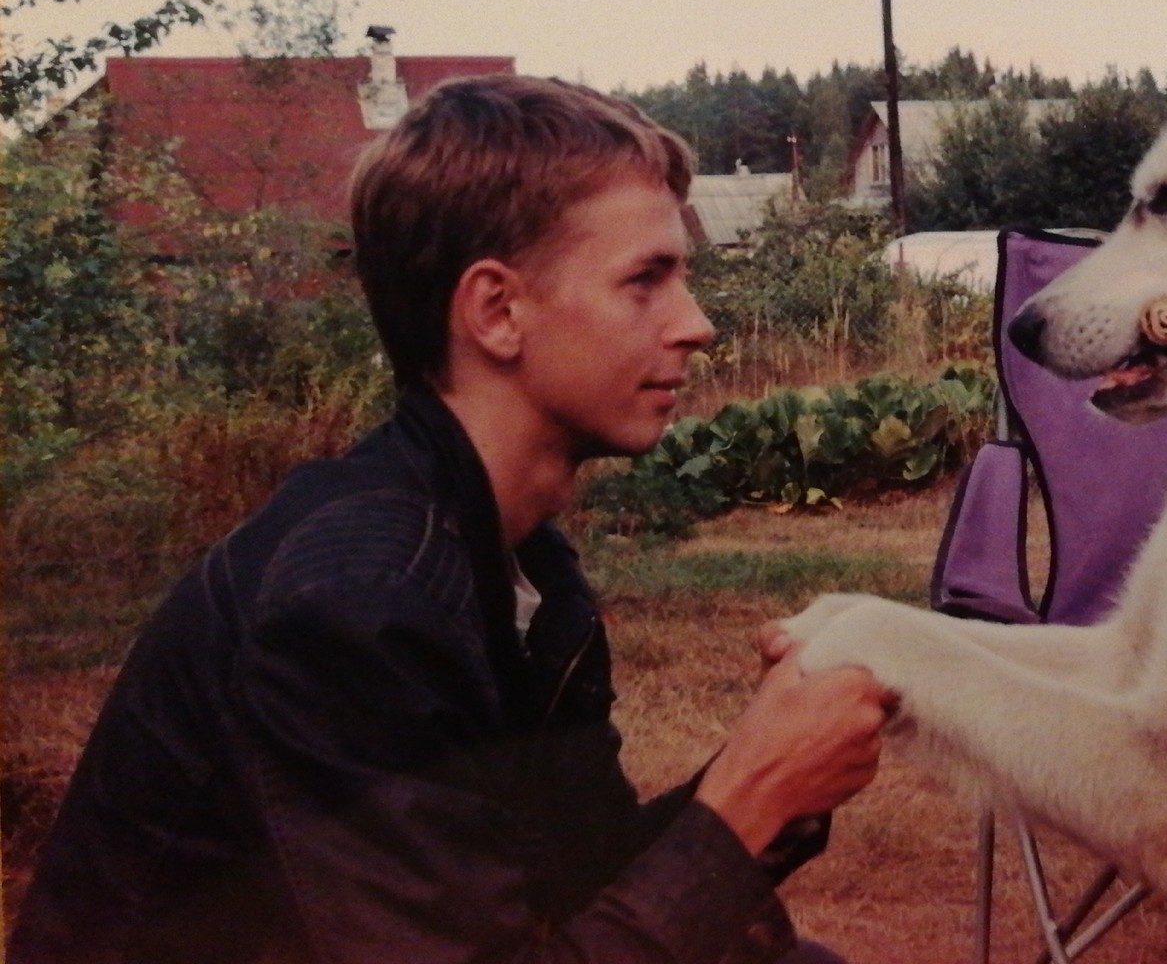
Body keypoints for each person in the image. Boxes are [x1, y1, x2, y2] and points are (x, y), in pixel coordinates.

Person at [9, 75, 891, 963]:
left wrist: (776, 770)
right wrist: (751, 796)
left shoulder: (523, 572)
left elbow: (581, 885)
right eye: (645, 281)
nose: (695, 324)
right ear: (498, 312)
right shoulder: (356, 603)